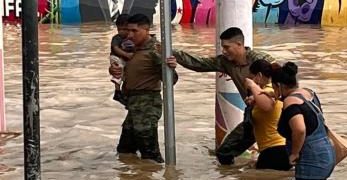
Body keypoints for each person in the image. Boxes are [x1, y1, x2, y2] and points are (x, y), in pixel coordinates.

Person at [171, 27, 276, 165]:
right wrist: (174, 55)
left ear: (239, 45)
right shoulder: (226, 62)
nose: (224, 51)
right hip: (253, 115)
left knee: (276, 155)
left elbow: (283, 79)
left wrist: (265, 94)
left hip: (273, 114)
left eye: (227, 47)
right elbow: (199, 63)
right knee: (224, 152)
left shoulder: (260, 59)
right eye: (222, 47)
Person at [113, 14, 178, 163]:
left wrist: (170, 67)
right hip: (133, 105)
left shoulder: (156, 51)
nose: (129, 35)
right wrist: (115, 71)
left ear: (146, 30)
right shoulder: (132, 48)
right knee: (125, 150)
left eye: (134, 31)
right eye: (128, 31)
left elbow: (171, 80)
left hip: (147, 105)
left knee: (150, 154)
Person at [271, 62, 335, 180]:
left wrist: (294, 153)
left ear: (278, 85)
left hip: (311, 159)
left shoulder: (290, 102)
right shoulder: (308, 93)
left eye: (273, 87)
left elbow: (300, 130)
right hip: (327, 154)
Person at [244, 59, 291, 170]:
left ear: (259, 75)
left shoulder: (269, 89)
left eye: (252, 77)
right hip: (279, 148)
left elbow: (267, 106)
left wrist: (252, 85)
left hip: (274, 150)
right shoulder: (273, 92)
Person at [110, 14, 135, 103]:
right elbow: (116, 49)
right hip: (116, 57)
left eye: (124, 29)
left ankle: (122, 92)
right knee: (118, 72)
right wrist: (126, 54)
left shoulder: (132, 38)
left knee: (125, 74)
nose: (121, 32)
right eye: (119, 29)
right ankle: (117, 91)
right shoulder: (116, 38)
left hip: (125, 59)